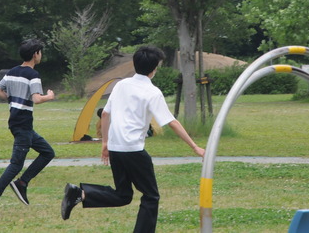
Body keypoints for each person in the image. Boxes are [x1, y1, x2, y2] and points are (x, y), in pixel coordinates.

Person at [61, 45, 205, 232]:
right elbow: (172, 122)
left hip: (115, 148)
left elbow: (105, 114)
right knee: (151, 197)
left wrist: (105, 143)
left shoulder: (121, 85)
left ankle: (79, 193)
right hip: (133, 151)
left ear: (135, 64)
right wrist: (195, 147)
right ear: (155, 69)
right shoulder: (152, 92)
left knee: (123, 195)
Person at [0, 38, 56, 217]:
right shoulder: (33, 75)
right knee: (15, 165)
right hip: (23, 124)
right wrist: (50, 96)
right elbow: (37, 98)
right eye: (40, 52)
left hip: (19, 124)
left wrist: (13, 99)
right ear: (35, 54)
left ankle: (22, 183)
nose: (41, 55)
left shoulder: (12, 71)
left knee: (48, 152)